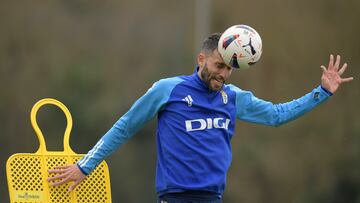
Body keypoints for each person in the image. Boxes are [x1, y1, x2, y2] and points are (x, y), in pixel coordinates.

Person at [47, 33, 353, 203]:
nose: (223, 74)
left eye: (229, 69)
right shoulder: (168, 90)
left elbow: (276, 115)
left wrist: (321, 92)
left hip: (213, 198)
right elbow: (125, 127)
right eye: (219, 66)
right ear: (201, 59)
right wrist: (84, 166)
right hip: (175, 198)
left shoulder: (232, 98)